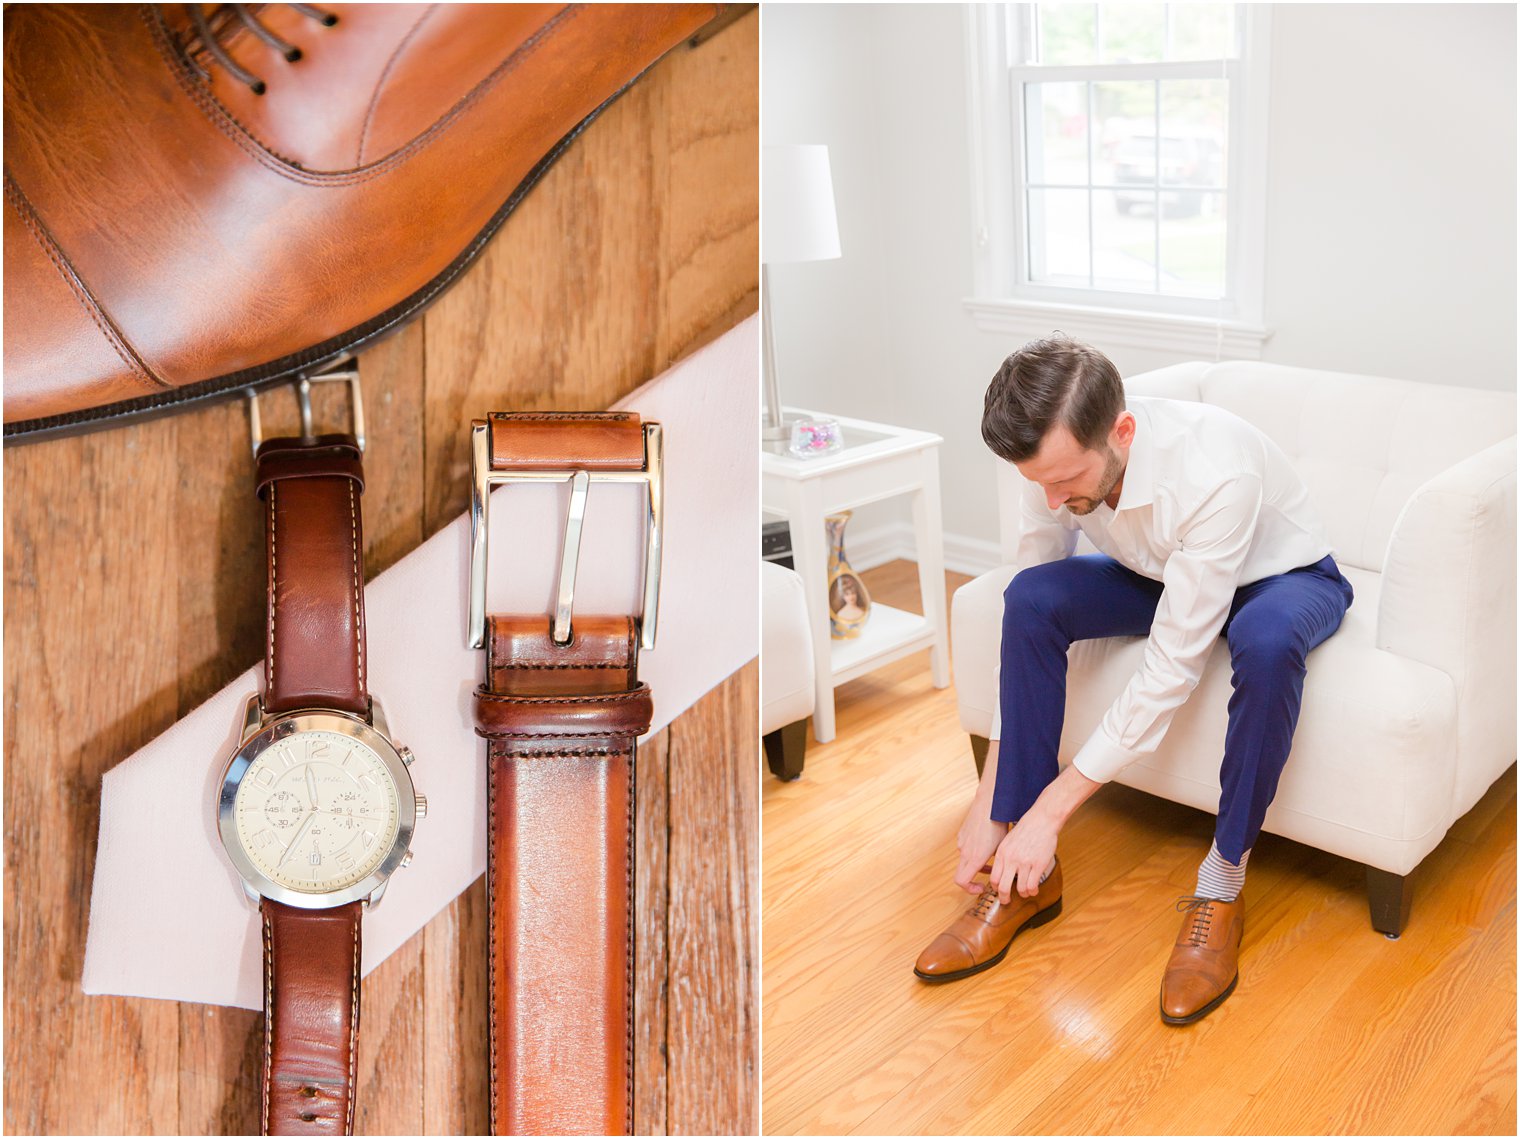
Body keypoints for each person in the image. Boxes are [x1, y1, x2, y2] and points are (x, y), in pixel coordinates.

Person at [912, 336, 1354, 1026]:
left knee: (1266, 647)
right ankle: (1024, 878)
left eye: (1065, 480)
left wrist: (1051, 812)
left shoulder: (1214, 471)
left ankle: (1222, 885)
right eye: (1039, 483)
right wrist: (995, 801)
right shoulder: (1051, 472)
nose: (1053, 499)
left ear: (1122, 430)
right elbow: (1034, 584)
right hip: (1162, 576)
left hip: (1280, 578)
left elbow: (1172, 665)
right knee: (1028, 597)